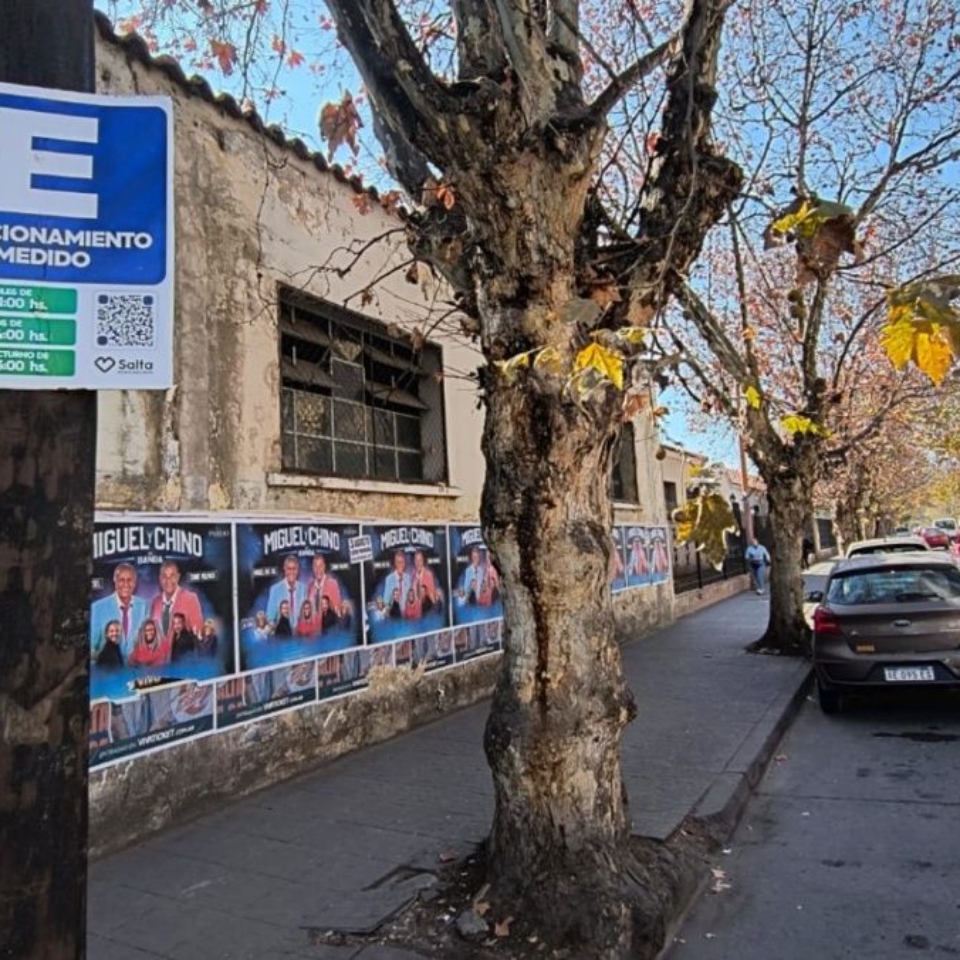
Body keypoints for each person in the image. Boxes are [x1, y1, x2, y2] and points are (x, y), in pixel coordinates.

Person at [90, 562, 149, 662]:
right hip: (108, 673)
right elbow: (92, 648)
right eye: (121, 580)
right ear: (115, 581)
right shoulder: (97, 608)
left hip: (137, 674)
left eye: (129, 580)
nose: (126, 584)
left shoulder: (145, 606)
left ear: (135, 583)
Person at [150, 560, 204, 646]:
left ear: (178, 577)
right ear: (160, 578)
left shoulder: (191, 599)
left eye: (172, 576)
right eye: (164, 576)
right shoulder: (155, 602)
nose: (168, 580)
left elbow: (198, 634)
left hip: (183, 656)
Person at [266, 555, 306, 630]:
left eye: (294, 569)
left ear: (298, 570)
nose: (291, 572)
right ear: (284, 569)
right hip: (282, 635)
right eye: (289, 569)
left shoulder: (304, 588)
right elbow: (270, 619)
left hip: (301, 637)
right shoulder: (275, 590)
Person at [307, 553, 343, 618]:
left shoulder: (332, 584)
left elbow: (337, 609)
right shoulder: (310, 586)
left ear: (324, 566)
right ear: (312, 568)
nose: (318, 569)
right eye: (315, 566)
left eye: (320, 566)